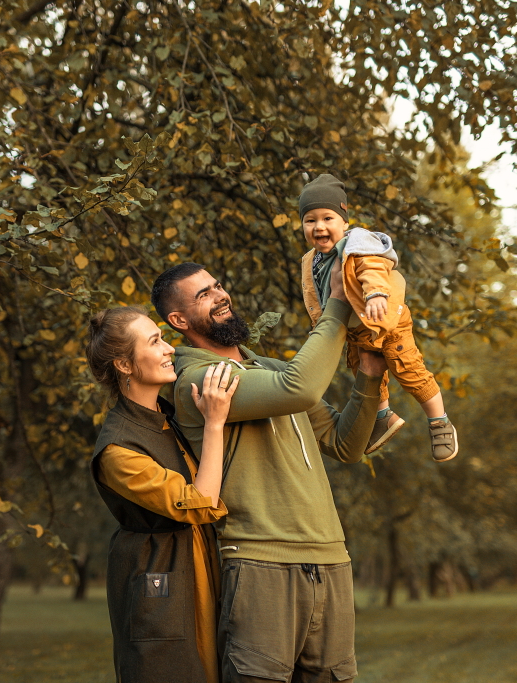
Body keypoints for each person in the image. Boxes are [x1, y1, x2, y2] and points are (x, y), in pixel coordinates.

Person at [151, 260, 387, 683]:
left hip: (331, 557)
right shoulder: (200, 380)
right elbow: (301, 388)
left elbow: (344, 443)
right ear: (178, 320)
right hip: (261, 562)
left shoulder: (272, 370)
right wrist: (335, 303)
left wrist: (369, 373)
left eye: (218, 285)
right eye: (203, 294)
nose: (220, 295)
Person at [86, 305, 240, 683]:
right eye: (155, 341)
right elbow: (200, 504)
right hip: (157, 575)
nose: (170, 348)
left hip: (198, 563)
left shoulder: (168, 417)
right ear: (124, 365)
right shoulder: (117, 451)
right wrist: (215, 423)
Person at [298, 173, 459, 462]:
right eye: (310, 220)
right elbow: (316, 295)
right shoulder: (311, 260)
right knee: (361, 370)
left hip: (387, 319)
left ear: (344, 223)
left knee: (408, 369)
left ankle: (439, 422)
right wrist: (319, 327)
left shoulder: (357, 244)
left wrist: (375, 295)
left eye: (327, 218)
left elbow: (373, 269)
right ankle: (383, 416)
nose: (319, 226)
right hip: (358, 330)